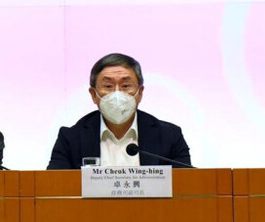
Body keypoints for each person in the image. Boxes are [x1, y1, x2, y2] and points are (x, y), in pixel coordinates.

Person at [47, 53, 191, 169]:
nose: (117, 94)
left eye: (126, 86)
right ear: (93, 95)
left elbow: (187, 186)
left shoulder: (169, 136)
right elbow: (53, 188)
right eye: (108, 86)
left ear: (140, 93)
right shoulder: (71, 139)